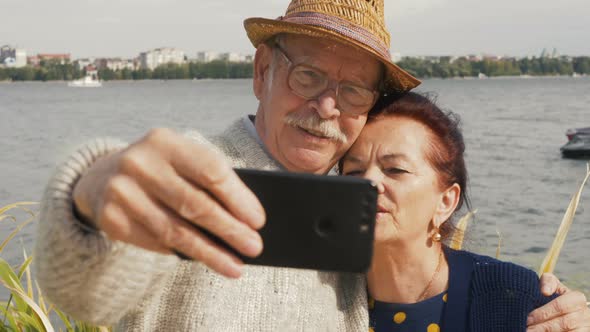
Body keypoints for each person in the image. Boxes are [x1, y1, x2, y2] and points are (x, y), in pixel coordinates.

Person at [33, 0, 589, 330]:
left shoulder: (349, 208)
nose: (327, 107)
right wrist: (91, 195)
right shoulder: (200, 177)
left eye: (353, 91)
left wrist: (557, 310)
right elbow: (86, 288)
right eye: (308, 77)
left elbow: (428, 282)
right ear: (262, 73)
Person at [340, 92, 588, 331]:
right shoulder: (318, 294)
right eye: (354, 172)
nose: (368, 182)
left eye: (395, 169)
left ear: (446, 201)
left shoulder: (516, 299)